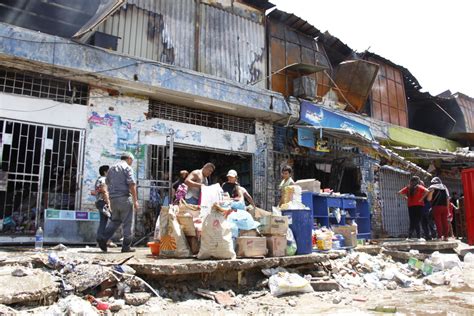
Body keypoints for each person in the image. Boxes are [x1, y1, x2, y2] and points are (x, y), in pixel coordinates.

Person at [97, 152, 139, 253]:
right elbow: (132, 184)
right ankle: (126, 246)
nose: (131, 163)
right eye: (131, 161)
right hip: (124, 198)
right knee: (127, 222)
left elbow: (107, 182)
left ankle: (103, 238)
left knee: (115, 221)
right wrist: (135, 200)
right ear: (129, 158)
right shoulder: (127, 168)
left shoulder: (111, 168)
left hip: (113, 199)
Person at [398, 176, 428, 241]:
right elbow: (427, 191)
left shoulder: (408, 187)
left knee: (412, 221)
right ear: (418, 181)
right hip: (419, 205)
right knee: (417, 221)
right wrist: (421, 199)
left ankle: (411, 237)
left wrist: (406, 198)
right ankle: (418, 237)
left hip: (410, 206)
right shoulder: (419, 187)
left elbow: (399, 192)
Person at [94, 165, 117, 248]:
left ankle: (100, 241)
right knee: (115, 220)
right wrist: (108, 204)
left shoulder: (99, 179)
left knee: (103, 223)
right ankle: (106, 240)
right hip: (104, 203)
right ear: (105, 172)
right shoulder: (104, 179)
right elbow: (104, 191)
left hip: (100, 203)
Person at [425, 177, 450, 241]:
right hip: (444, 207)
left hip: (436, 207)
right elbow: (448, 199)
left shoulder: (432, 187)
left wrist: (431, 193)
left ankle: (439, 237)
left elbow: (429, 199)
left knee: (438, 222)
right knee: (445, 222)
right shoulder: (444, 187)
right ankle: (446, 237)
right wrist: (448, 209)